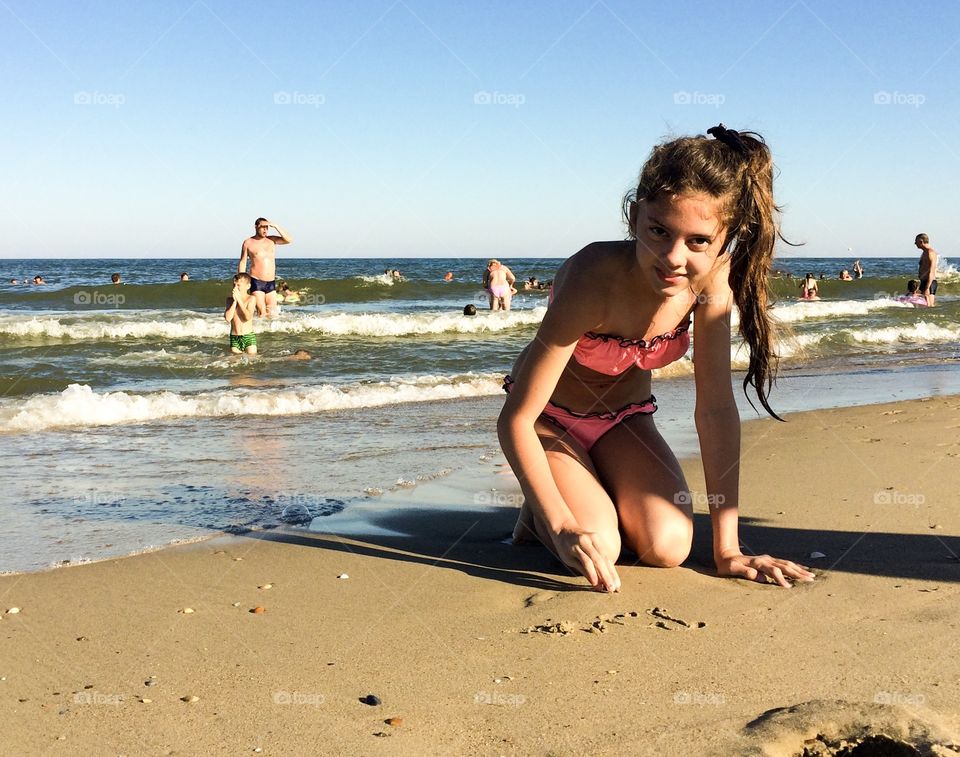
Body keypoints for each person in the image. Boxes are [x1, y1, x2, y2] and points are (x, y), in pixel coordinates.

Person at [498, 124, 816, 593]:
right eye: (658, 231)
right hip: (550, 422)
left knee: (667, 549)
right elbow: (516, 419)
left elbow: (714, 409)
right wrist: (563, 527)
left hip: (625, 422)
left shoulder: (711, 285)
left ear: (726, 236)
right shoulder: (593, 277)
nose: (673, 257)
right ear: (633, 216)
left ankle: (586, 484)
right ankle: (545, 503)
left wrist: (728, 549)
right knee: (597, 546)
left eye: (698, 241)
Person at [238, 217, 292, 318]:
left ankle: (269, 333)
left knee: (273, 314)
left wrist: (276, 226)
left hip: (271, 283)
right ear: (256, 227)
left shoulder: (271, 240)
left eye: (267, 227)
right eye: (262, 227)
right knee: (262, 314)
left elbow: (288, 240)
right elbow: (243, 262)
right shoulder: (248, 243)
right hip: (256, 281)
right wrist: (240, 283)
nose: (265, 230)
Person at [224, 272, 258, 355]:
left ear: (248, 286)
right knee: (235, 364)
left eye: (238, 285)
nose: (235, 288)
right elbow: (228, 318)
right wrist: (235, 301)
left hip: (248, 336)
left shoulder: (251, 298)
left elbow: (247, 317)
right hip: (235, 337)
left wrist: (239, 300)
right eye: (234, 285)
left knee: (252, 361)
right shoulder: (229, 300)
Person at [915, 233, 938, 306]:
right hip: (923, 282)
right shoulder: (924, 252)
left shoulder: (930, 253)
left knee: (929, 306)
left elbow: (932, 271)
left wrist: (927, 288)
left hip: (929, 283)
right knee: (922, 306)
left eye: (916, 241)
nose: (915, 243)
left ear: (921, 241)